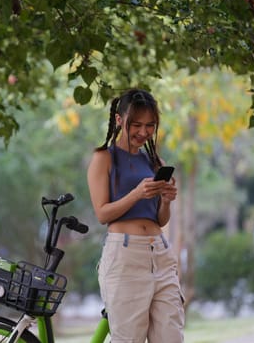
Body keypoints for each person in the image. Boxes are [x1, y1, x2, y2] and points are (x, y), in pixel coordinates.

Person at [86, 88, 185, 342]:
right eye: (136, 124)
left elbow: (160, 220)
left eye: (150, 125)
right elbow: (102, 213)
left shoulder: (154, 161)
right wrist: (137, 193)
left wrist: (165, 200)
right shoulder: (103, 158)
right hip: (125, 257)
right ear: (119, 120)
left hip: (160, 253)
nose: (143, 132)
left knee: (171, 337)